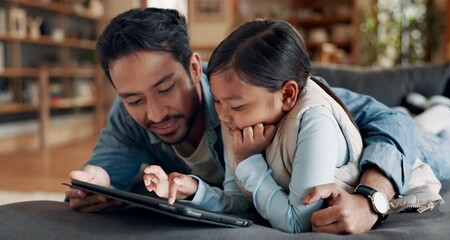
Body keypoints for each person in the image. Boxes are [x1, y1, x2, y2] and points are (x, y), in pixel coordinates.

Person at [66, 8, 421, 234]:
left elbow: (392, 122)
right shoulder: (128, 116)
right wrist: (94, 180)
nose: (155, 113)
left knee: (436, 131)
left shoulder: (256, 93)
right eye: (135, 99)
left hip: (420, 150)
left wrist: (371, 199)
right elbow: (105, 169)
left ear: (193, 68)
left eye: (165, 88)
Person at [144, 19, 443, 233]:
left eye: (235, 106)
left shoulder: (313, 121)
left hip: (407, 158)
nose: (222, 116)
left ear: (287, 95)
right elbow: (239, 200)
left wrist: (249, 161)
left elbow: (297, 222)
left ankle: (441, 107)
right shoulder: (236, 119)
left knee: (441, 141)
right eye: (218, 102)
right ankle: (426, 106)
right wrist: (193, 190)